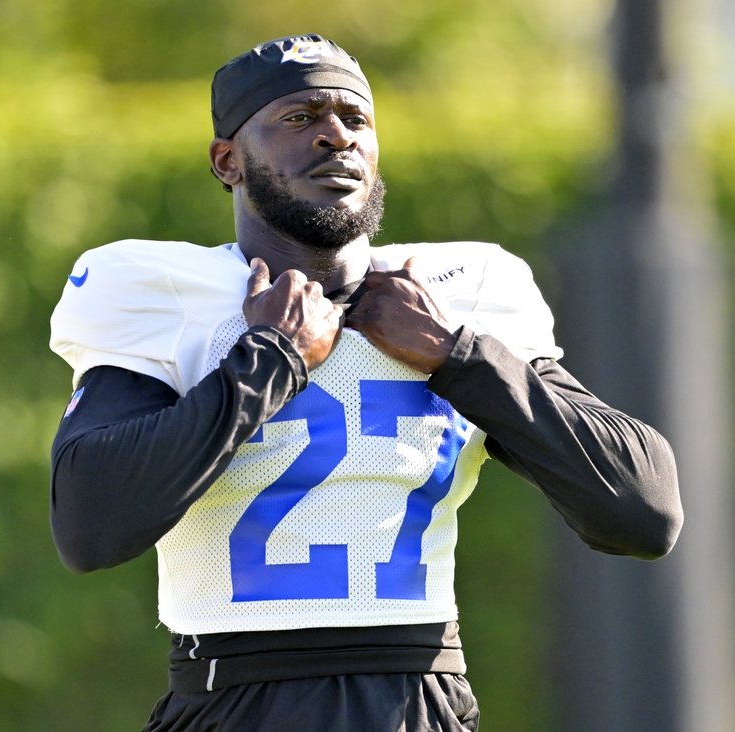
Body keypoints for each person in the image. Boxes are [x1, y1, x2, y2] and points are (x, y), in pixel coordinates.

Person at [48, 34, 682, 732]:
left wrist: (458, 356)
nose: (335, 135)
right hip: (232, 700)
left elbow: (643, 510)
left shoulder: (458, 298)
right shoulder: (168, 291)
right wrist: (269, 361)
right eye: (299, 117)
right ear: (228, 161)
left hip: (420, 704)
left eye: (355, 118)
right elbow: (89, 527)